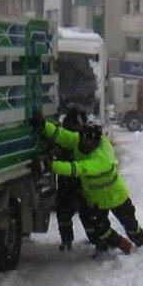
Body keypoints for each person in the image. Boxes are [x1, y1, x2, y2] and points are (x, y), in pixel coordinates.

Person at [32, 112, 143, 255]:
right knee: (102, 231)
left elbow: (76, 168)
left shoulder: (102, 157)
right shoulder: (80, 140)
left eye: (90, 143)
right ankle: (123, 246)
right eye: (84, 140)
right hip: (96, 200)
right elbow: (62, 135)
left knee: (131, 226)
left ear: (97, 141)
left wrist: (51, 165)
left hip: (115, 197)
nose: (86, 145)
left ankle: (142, 247)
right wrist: (44, 126)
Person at [49, 107, 94, 251]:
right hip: (68, 182)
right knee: (66, 212)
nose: (78, 129)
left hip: (79, 182)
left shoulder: (86, 139)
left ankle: (91, 238)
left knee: (85, 212)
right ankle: (68, 240)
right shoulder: (67, 138)